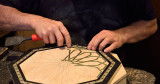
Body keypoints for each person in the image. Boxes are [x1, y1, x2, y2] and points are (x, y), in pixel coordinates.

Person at [0, 0, 157, 53]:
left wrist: (122, 35)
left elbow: (150, 24)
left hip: (110, 73)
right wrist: (33, 20)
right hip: (54, 68)